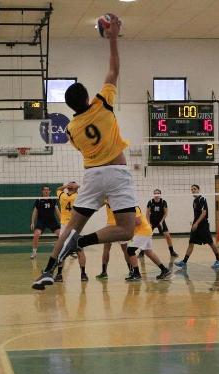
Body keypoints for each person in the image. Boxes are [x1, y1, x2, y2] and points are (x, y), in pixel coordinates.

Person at [32, 15, 139, 290]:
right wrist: (112, 38)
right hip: (116, 173)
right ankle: (82, 243)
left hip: (91, 176)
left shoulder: (72, 129)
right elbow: (114, 70)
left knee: (70, 226)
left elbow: (82, 147)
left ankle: (48, 269)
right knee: (126, 230)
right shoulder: (103, 103)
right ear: (88, 96)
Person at [174, 185, 219, 270]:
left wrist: (196, 223)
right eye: (192, 189)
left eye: (195, 189)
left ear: (199, 190)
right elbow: (197, 214)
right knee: (191, 242)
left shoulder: (202, 199)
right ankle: (184, 262)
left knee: (210, 242)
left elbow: (204, 213)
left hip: (203, 225)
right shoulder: (194, 201)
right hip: (196, 225)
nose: (193, 190)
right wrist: (193, 223)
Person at [125, 207, 171, 281]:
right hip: (146, 231)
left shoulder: (134, 208)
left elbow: (138, 222)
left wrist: (126, 225)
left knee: (130, 250)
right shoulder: (129, 208)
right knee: (148, 252)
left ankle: (136, 274)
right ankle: (164, 270)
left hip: (143, 232)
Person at [55, 182, 87, 282]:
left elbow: (58, 189)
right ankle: (83, 274)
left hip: (68, 226)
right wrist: (77, 186)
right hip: (75, 225)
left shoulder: (62, 195)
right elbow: (87, 189)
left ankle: (60, 274)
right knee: (79, 250)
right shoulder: (79, 196)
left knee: (68, 250)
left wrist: (66, 185)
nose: (72, 184)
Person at [97, 201, 132, 280]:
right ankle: (131, 270)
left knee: (106, 249)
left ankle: (104, 272)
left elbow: (98, 205)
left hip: (110, 225)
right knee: (125, 249)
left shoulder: (107, 197)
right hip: (120, 224)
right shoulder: (121, 197)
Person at [30, 186, 61, 259]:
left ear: (50, 191)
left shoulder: (53, 199)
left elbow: (57, 211)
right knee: (36, 234)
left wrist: (61, 221)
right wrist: (32, 222)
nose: (46, 191)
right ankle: (34, 252)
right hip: (41, 221)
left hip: (52, 220)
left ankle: (65, 251)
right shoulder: (39, 200)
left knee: (61, 235)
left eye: (47, 190)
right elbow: (35, 212)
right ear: (42, 191)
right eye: (44, 190)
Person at [145, 189, 178, 257]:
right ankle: (142, 252)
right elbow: (147, 213)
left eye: (158, 194)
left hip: (160, 221)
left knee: (167, 236)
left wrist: (162, 221)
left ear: (160, 194)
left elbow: (166, 213)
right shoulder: (150, 202)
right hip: (152, 221)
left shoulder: (163, 202)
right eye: (155, 194)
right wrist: (148, 223)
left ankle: (172, 251)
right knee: (147, 237)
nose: (156, 195)